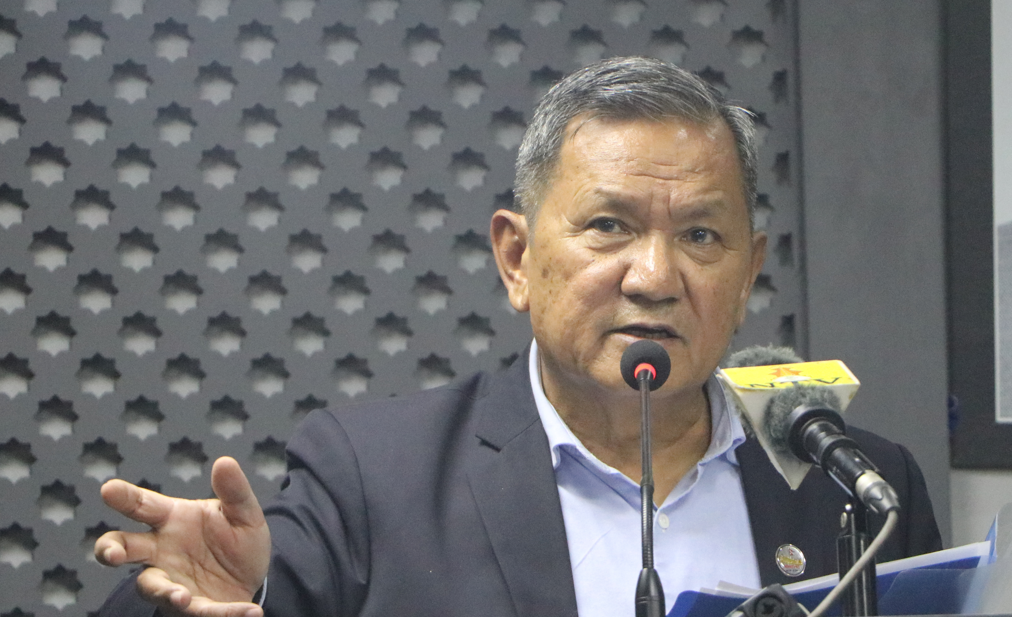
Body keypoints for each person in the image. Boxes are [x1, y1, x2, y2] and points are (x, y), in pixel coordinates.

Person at [95, 57, 942, 617]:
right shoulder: (374, 477)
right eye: (609, 226)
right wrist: (218, 593)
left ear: (748, 270)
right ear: (516, 258)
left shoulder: (861, 486)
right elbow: (231, 594)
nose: (655, 275)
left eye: (700, 235)